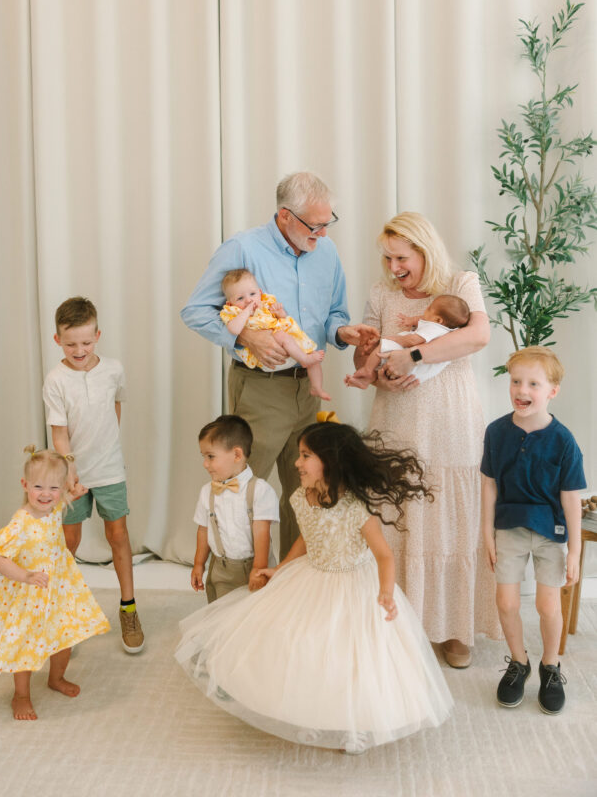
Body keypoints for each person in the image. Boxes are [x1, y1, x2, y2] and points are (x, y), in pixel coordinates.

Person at [175, 416, 453, 753]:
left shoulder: (355, 508)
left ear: (330, 462)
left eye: (306, 455)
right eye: (299, 454)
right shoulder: (300, 497)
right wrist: (282, 569)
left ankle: (355, 724)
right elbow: (306, 540)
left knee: (349, 653)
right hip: (313, 574)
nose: (296, 462)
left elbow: (384, 555)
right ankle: (307, 710)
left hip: (353, 583)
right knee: (301, 642)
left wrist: (385, 592)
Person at [181, 171, 376, 556]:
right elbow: (195, 311)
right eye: (314, 225)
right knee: (241, 492)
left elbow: (335, 314)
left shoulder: (328, 253)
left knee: (306, 494)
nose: (322, 233)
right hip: (259, 391)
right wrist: (245, 335)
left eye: (328, 223)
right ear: (285, 216)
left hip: (308, 390)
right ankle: (237, 593)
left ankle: (292, 586)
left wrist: (343, 333)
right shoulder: (242, 248)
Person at [356, 212, 500, 668]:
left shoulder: (460, 282)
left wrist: (414, 355)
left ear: (424, 250)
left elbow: (477, 336)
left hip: (451, 419)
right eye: (388, 258)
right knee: (396, 511)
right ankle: (399, 620)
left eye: (402, 257)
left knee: (450, 516)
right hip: (397, 417)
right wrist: (381, 374)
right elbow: (370, 350)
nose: (394, 266)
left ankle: (456, 629)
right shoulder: (381, 293)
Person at [481, 347, 586, 714]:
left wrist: (573, 551)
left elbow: (572, 499)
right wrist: (486, 533)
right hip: (508, 526)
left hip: (550, 530)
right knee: (506, 602)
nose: (521, 389)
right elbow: (489, 485)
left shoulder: (564, 441)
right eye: (515, 381)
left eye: (533, 383)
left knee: (546, 604)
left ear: (552, 391)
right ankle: (519, 662)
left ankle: (550, 666)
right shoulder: (496, 432)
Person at [42, 296, 144, 654]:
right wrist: (70, 470)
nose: (79, 349)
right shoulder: (55, 380)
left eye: (86, 342)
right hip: (72, 475)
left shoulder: (113, 370)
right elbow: (59, 432)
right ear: (57, 340)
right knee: (69, 543)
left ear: (98, 335)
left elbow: (114, 408)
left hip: (110, 470)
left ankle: (128, 608)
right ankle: (61, 611)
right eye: (71, 344)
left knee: (118, 535)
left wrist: (106, 453)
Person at [0, 447, 109, 720]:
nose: (45, 494)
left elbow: (63, 497)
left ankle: (57, 678)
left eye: (53, 488)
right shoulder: (21, 522)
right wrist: (25, 576)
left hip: (59, 588)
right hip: (28, 592)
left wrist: (73, 493)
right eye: (38, 486)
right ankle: (21, 695)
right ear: (25, 485)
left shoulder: (54, 505)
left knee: (64, 636)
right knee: (24, 644)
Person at [191, 414, 279, 602]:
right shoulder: (207, 492)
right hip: (221, 570)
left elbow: (262, 533)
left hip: (253, 566)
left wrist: (259, 569)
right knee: (221, 614)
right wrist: (199, 564)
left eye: (211, 456)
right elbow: (203, 529)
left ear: (237, 455)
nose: (205, 464)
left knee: (254, 613)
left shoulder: (260, 491)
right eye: (204, 457)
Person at [220, 269, 330, 400]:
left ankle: (316, 388)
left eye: (252, 294)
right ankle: (304, 360)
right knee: (283, 337)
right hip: (266, 353)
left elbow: (280, 320)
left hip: (287, 346)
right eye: (240, 298)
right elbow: (234, 329)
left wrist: (280, 314)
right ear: (229, 303)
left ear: (260, 292)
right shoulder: (233, 312)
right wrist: (247, 311)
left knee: (313, 355)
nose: (248, 300)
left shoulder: (265, 303)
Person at [345, 294, 470, 389]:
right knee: (383, 365)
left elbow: (412, 340)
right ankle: (370, 377)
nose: (426, 308)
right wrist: (412, 321)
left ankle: (367, 371)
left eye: (430, 308)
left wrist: (391, 339)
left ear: (438, 320)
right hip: (414, 371)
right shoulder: (443, 328)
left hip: (408, 356)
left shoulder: (434, 329)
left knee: (381, 347)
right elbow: (424, 320)